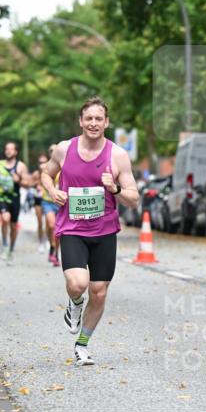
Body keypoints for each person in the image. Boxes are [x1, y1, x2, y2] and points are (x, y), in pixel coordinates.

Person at [40, 97, 139, 366]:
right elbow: (46, 174)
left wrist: (115, 188)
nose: (93, 123)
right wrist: (52, 191)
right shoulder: (64, 149)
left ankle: (82, 344)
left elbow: (134, 197)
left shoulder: (117, 155)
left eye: (99, 119)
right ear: (81, 121)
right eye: (89, 118)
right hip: (72, 227)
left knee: (99, 291)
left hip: (104, 230)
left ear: (106, 122)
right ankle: (74, 303)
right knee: (78, 284)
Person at [0, 141, 29, 263]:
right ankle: (5, 245)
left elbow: (27, 184)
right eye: (6, 149)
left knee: (14, 226)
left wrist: (18, 180)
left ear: (15, 152)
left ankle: (11, 248)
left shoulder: (21, 166)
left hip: (15, 198)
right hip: (2, 197)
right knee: (5, 219)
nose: (8, 151)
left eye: (11, 149)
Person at [39, 146, 61, 266]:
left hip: (60, 202)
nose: (54, 152)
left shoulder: (64, 165)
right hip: (47, 201)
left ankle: (55, 252)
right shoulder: (45, 167)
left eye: (55, 150)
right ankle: (52, 246)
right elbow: (38, 180)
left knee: (58, 231)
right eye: (51, 151)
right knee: (51, 225)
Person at [27, 156, 46, 253]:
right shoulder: (35, 174)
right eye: (40, 162)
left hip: (48, 200)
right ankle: (41, 242)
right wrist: (36, 183)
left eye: (44, 162)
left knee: (49, 222)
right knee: (40, 222)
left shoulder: (50, 172)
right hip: (38, 199)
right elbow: (28, 184)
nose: (41, 164)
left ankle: (48, 240)